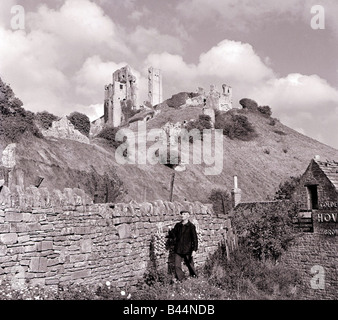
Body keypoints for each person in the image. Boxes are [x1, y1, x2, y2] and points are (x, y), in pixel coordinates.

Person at [170, 210, 198, 281]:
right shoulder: (178, 225)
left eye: (184, 214)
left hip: (188, 249)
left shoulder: (191, 226)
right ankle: (181, 279)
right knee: (177, 265)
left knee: (190, 265)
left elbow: (195, 239)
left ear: (188, 216)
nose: (182, 215)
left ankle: (194, 277)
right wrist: (170, 230)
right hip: (178, 249)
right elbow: (174, 236)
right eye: (182, 214)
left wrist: (194, 250)